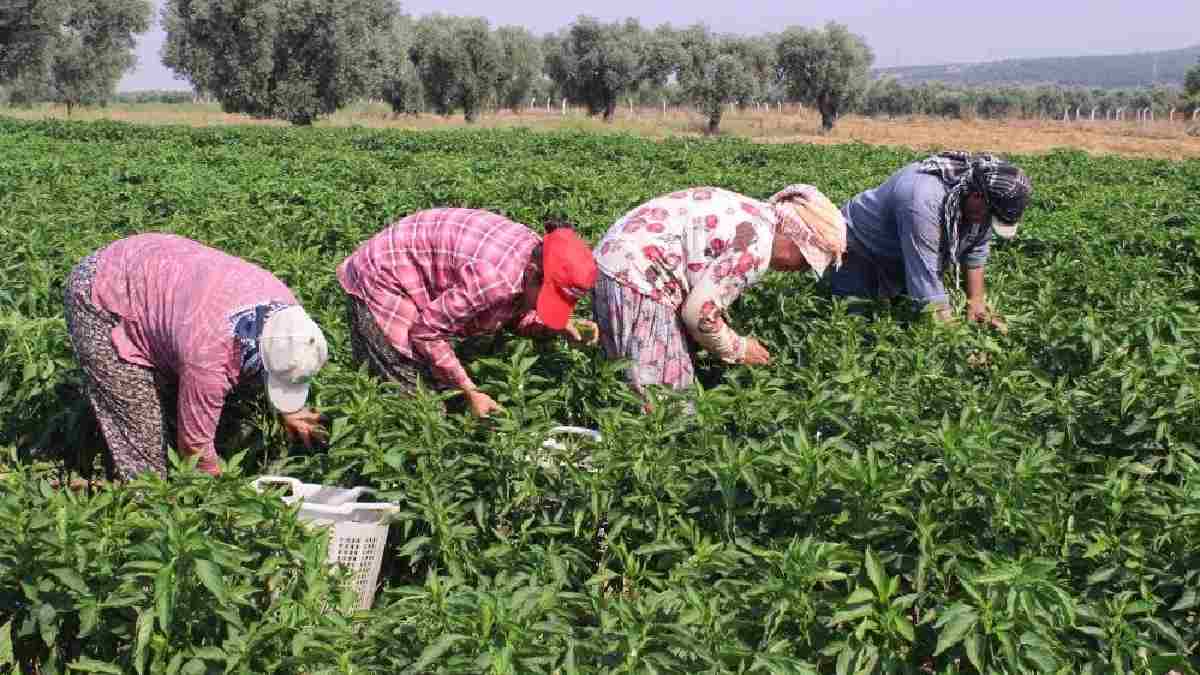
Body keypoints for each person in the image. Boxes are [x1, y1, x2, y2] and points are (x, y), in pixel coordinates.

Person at [64, 233, 329, 480]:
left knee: (203, 392)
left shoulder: (289, 313)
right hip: (106, 287)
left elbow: (281, 353)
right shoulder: (209, 357)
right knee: (143, 437)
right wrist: (222, 495)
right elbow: (195, 448)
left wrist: (291, 410)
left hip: (160, 264)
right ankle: (142, 509)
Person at [592, 184, 847, 402]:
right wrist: (738, 348)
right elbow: (697, 314)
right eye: (803, 261)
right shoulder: (756, 247)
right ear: (795, 238)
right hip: (639, 278)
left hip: (614, 261)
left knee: (629, 374)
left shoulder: (755, 213)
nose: (798, 270)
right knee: (667, 400)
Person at [337, 208, 599, 418]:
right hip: (385, 272)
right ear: (532, 273)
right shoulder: (494, 279)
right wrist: (470, 390)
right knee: (417, 401)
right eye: (548, 300)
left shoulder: (539, 254)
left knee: (443, 384)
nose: (546, 307)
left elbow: (512, 312)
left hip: (425, 261)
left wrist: (557, 325)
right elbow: (427, 332)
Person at [830, 151, 1033, 331]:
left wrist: (977, 302)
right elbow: (924, 280)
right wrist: (960, 344)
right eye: (988, 216)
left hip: (899, 253)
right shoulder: (922, 201)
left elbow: (976, 248)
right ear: (978, 196)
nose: (986, 222)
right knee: (856, 327)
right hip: (859, 248)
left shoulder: (980, 202)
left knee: (898, 318)